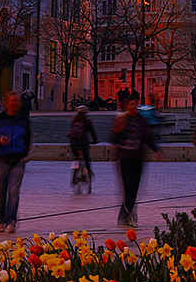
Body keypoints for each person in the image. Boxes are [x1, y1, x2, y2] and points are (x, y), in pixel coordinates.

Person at [111, 94, 164, 226]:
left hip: (137, 158)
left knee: (134, 188)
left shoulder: (141, 120)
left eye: (136, 104)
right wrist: (117, 130)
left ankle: (125, 215)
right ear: (126, 106)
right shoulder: (121, 119)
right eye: (131, 104)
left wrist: (156, 150)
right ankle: (125, 216)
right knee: (127, 188)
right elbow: (113, 138)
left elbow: (148, 137)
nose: (134, 107)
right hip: (124, 158)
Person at [0, 91, 32, 233]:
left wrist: (27, 156)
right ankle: (1, 220)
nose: (14, 103)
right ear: (6, 103)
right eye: (12, 100)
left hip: (18, 160)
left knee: (13, 193)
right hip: (0, 160)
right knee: (0, 193)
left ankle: (11, 220)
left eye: (17, 101)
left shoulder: (23, 120)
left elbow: (29, 139)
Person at [67, 106, 98, 183]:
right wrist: (95, 141)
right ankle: (89, 173)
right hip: (83, 142)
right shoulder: (87, 122)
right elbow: (92, 132)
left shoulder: (74, 121)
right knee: (86, 157)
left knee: (76, 157)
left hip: (74, 142)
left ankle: (74, 173)